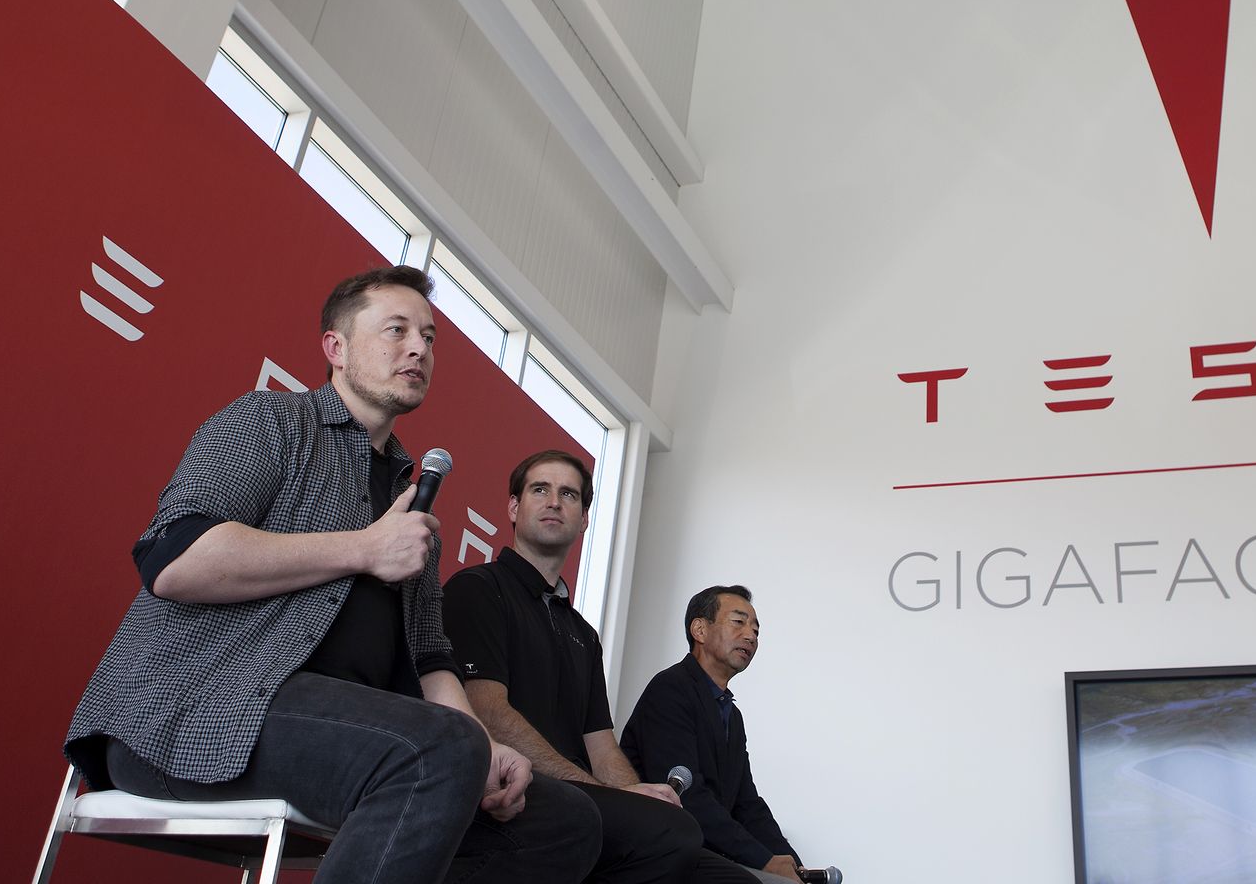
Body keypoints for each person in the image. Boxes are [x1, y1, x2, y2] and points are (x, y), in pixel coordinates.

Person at [63, 266, 600, 883]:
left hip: (339, 734)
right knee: (435, 750)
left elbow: (431, 659)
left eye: (429, 336)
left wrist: (487, 746)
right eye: (396, 330)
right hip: (195, 712)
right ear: (335, 349)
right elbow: (176, 562)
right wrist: (362, 548)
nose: (419, 348)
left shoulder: (412, 501)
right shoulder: (270, 423)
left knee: (564, 822)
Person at [445, 451, 755, 884]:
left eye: (568, 494)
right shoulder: (477, 589)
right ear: (514, 508)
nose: (554, 502)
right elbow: (488, 712)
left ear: (584, 519)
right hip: (510, 790)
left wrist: (635, 795)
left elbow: (602, 746)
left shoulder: (583, 634)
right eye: (540, 489)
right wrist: (602, 792)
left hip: (579, 800)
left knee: (732, 876)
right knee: (672, 833)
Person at [621, 587, 804, 884]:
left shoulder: (732, 714)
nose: (751, 636)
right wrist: (764, 860)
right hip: (655, 850)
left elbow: (748, 805)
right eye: (739, 622)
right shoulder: (670, 689)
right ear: (700, 629)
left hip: (700, 850)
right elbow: (688, 797)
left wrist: (796, 867)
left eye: (756, 630)